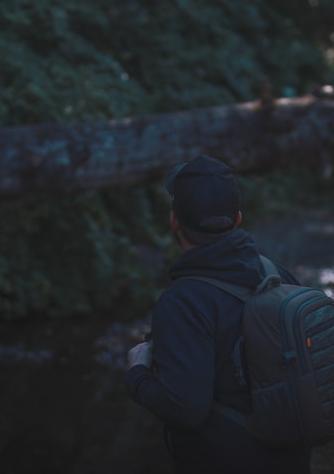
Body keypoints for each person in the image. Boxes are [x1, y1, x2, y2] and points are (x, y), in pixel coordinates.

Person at [123, 155, 311, 474]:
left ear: (174, 221)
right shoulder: (277, 274)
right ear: (238, 218)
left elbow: (185, 410)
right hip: (291, 460)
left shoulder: (182, 302)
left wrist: (137, 375)